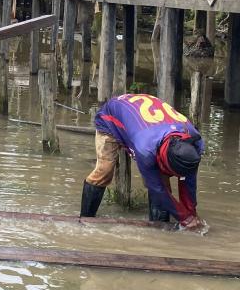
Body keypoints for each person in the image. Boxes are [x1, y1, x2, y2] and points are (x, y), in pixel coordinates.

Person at [82, 93, 206, 231]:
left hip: (149, 124)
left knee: (163, 179)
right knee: (104, 172)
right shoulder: (145, 149)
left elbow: (188, 180)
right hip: (111, 118)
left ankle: (160, 233)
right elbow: (156, 187)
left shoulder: (195, 142)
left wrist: (191, 213)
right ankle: (85, 220)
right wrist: (183, 217)